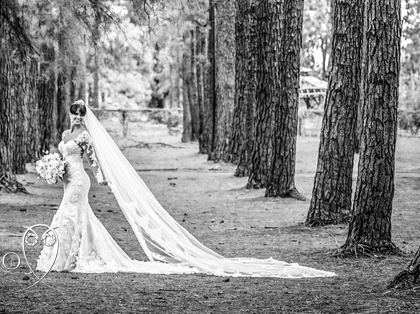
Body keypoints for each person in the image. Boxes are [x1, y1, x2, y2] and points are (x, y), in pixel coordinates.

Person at [35, 99, 333, 278]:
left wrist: (102, 177)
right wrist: (54, 168)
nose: (76, 118)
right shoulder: (65, 134)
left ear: (84, 116)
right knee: (74, 217)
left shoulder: (86, 135)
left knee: (72, 214)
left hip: (80, 183)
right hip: (66, 181)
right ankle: (67, 256)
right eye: (74, 114)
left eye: (80, 114)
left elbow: (94, 160)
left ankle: (67, 258)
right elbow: (63, 157)